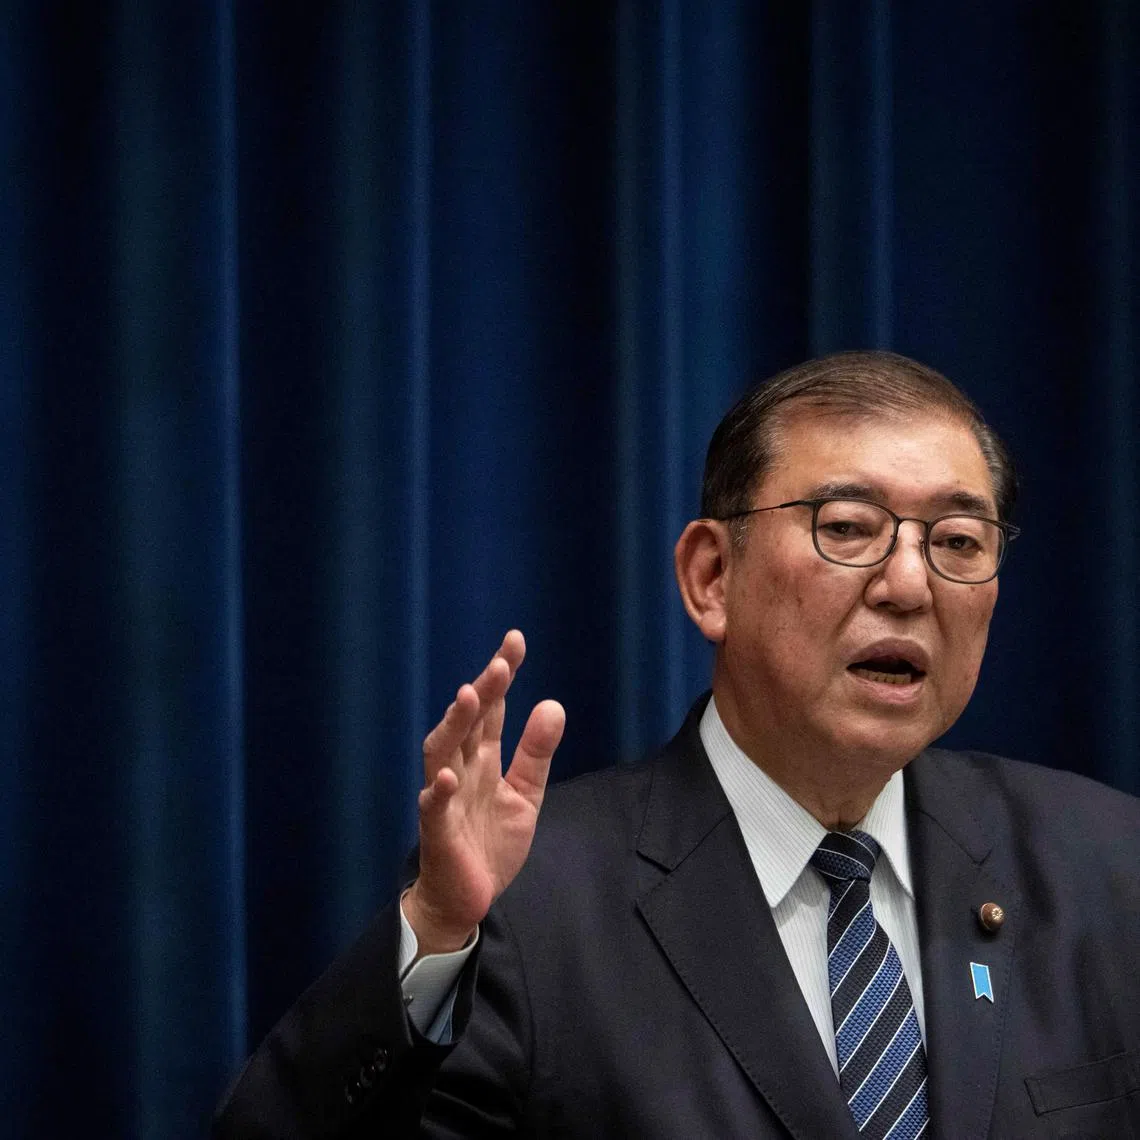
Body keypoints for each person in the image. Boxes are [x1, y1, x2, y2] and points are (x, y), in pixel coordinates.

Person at [214, 351, 1140, 1138]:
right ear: (711, 578)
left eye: (959, 541)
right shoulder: (530, 905)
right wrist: (435, 936)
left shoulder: (1103, 866)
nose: (908, 583)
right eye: (848, 528)